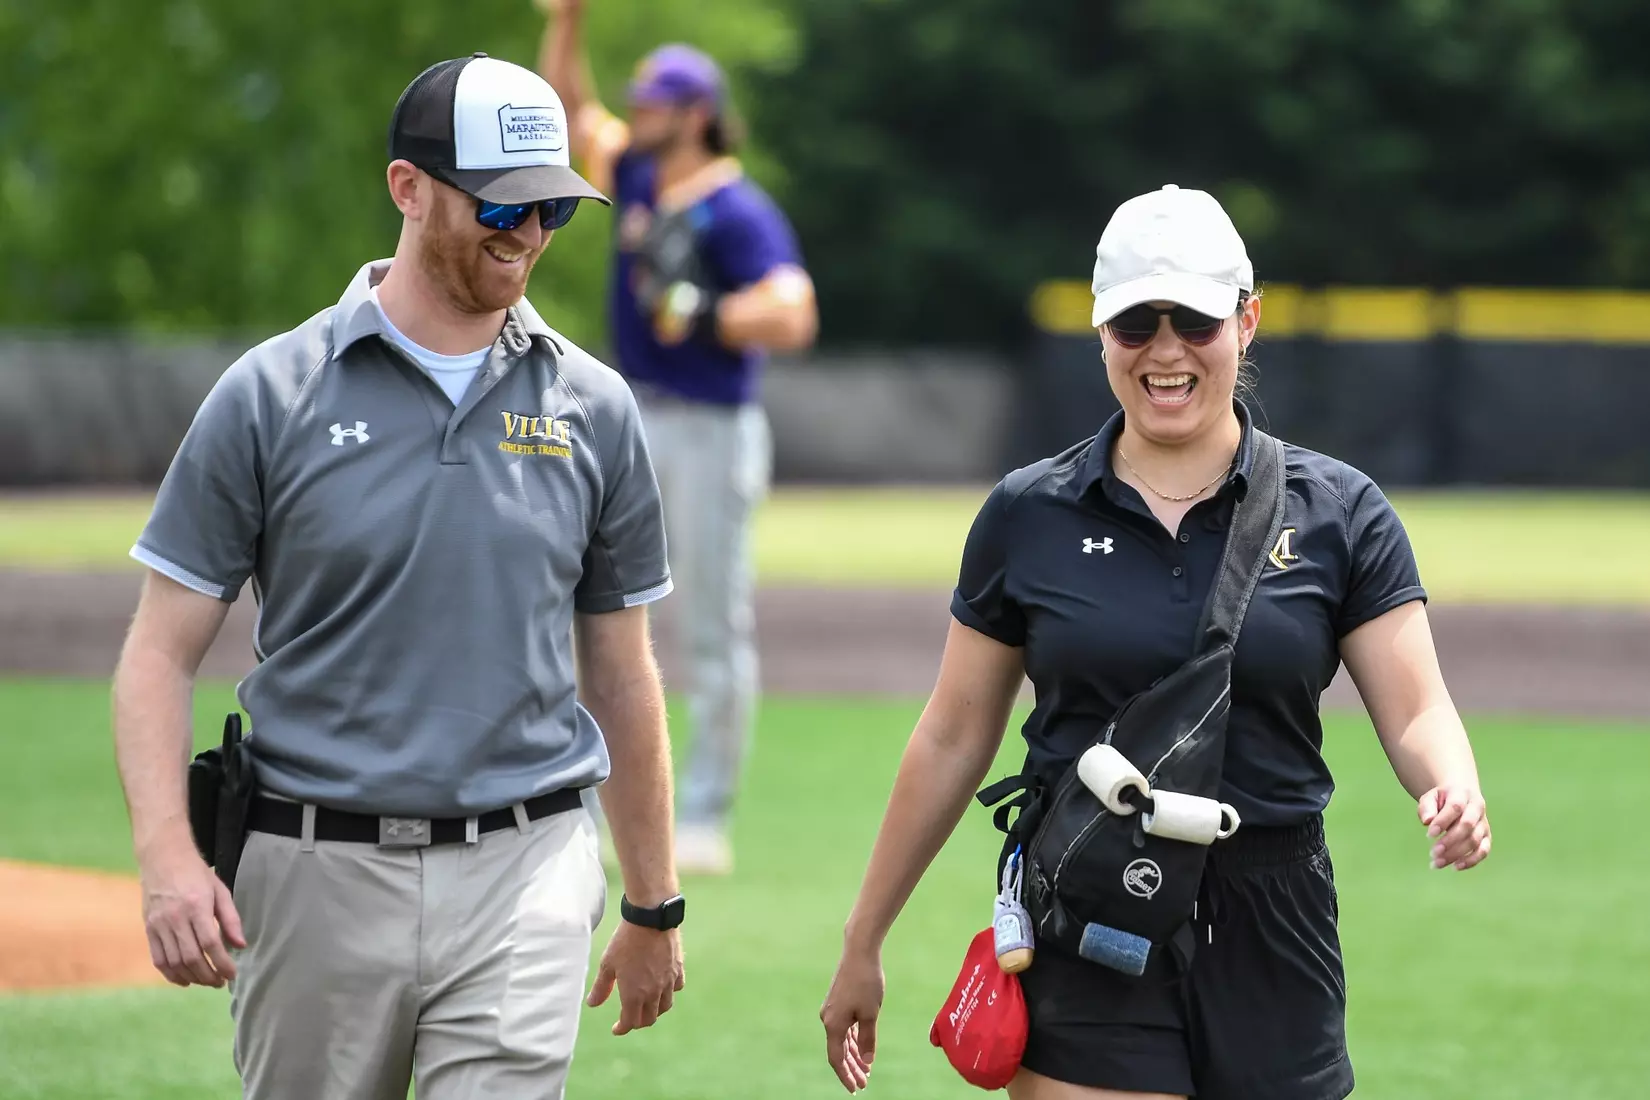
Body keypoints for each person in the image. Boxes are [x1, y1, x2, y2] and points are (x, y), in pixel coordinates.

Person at [818, 184, 1493, 1100]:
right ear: (1101, 334)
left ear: (1247, 322)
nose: (1166, 351)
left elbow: (1417, 708)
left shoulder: (1341, 511)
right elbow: (952, 733)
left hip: (1274, 912)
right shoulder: (1029, 513)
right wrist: (865, 939)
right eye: (1136, 325)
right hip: (1091, 900)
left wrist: (1451, 785)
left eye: (1196, 321)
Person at [111, 52, 689, 1100]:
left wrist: (654, 902)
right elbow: (157, 650)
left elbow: (620, 670)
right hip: (313, 867)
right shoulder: (270, 393)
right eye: (500, 205)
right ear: (408, 187)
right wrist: (167, 859)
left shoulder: (596, 408)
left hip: (528, 862)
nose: (528, 232)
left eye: (552, 205)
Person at [536, 0, 820, 876]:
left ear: (695, 113)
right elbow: (568, 116)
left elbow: (795, 311)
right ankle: (592, 794)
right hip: (632, 420)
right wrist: (568, 24)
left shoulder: (736, 207)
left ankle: (701, 814)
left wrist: (709, 313)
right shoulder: (640, 177)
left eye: (657, 103)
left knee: (706, 626)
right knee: (606, 607)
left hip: (710, 429)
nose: (640, 114)